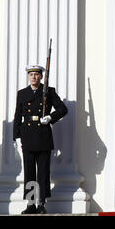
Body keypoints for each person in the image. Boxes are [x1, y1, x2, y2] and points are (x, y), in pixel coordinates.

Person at [13, 65, 68, 214]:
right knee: (29, 172)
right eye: (31, 74)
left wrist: (50, 117)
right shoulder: (22, 93)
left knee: (43, 173)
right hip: (28, 136)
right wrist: (16, 138)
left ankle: (41, 203)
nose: (34, 77)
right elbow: (18, 116)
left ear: (41, 76)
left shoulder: (48, 91)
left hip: (43, 135)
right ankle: (31, 204)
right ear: (28, 76)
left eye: (36, 74)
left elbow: (63, 109)